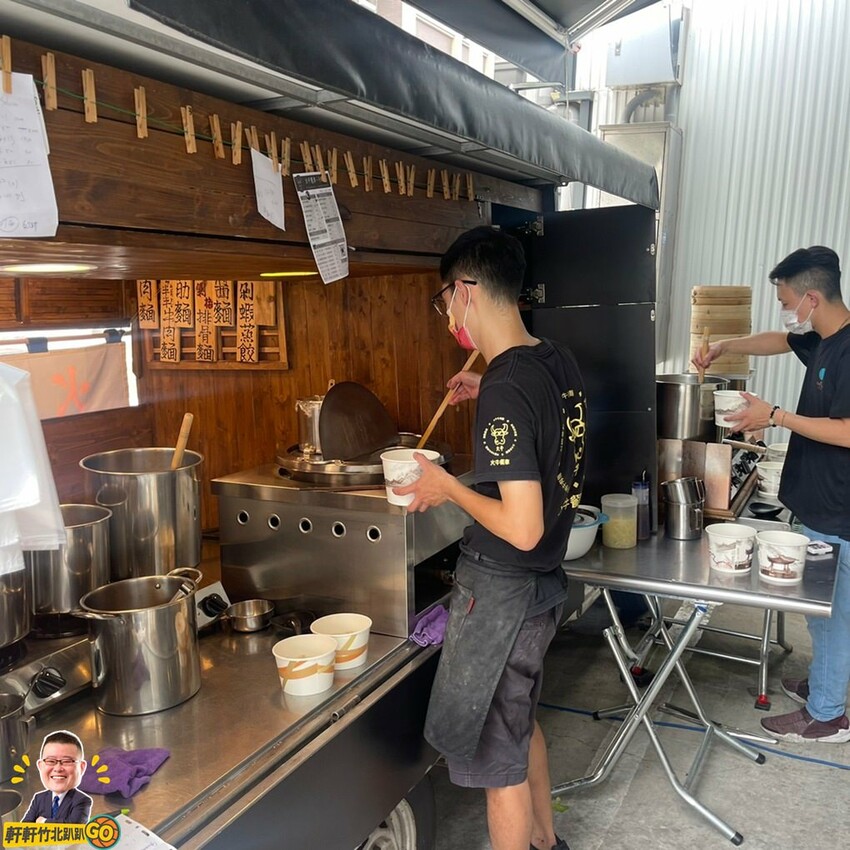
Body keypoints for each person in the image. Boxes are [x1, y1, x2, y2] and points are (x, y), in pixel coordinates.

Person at [395, 226, 586, 850]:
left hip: (505, 595)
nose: (449, 316)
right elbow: (544, 419)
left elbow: (523, 528)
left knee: (495, 759)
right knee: (519, 726)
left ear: (466, 291)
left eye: (445, 301)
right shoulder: (552, 359)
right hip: (544, 589)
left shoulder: (508, 385)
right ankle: (546, 842)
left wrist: (445, 487)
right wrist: (489, 391)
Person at [693, 245, 850, 743]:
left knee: (835, 613)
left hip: (840, 507)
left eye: (785, 301)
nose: (785, 310)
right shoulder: (823, 338)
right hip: (817, 499)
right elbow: (780, 340)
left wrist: (774, 415)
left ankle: (828, 715)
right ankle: (825, 682)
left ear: (811, 298)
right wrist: (724, 345)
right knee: (820, 612)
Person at [23, 730, 93, 824]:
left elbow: (73, 827)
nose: (58, 768)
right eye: (51, 761)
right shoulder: (38, 798)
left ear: (81, 767)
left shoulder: (82, 800)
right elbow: (23, 828)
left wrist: (44, 821)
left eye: (67, 761)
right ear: (40, 766)